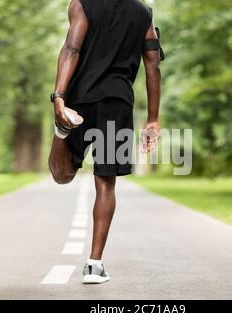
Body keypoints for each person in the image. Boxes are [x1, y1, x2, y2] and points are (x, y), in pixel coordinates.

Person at [48, 0, 162, 284]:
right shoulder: (143, 14)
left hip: (80, 98)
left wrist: (59, 97)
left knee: (62, 175)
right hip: (117, 102)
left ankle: (62, 132)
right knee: (106, 181)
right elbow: (152, 66)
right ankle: (94, 265)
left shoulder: (82, 4)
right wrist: (153, 118)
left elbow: (71, 48)